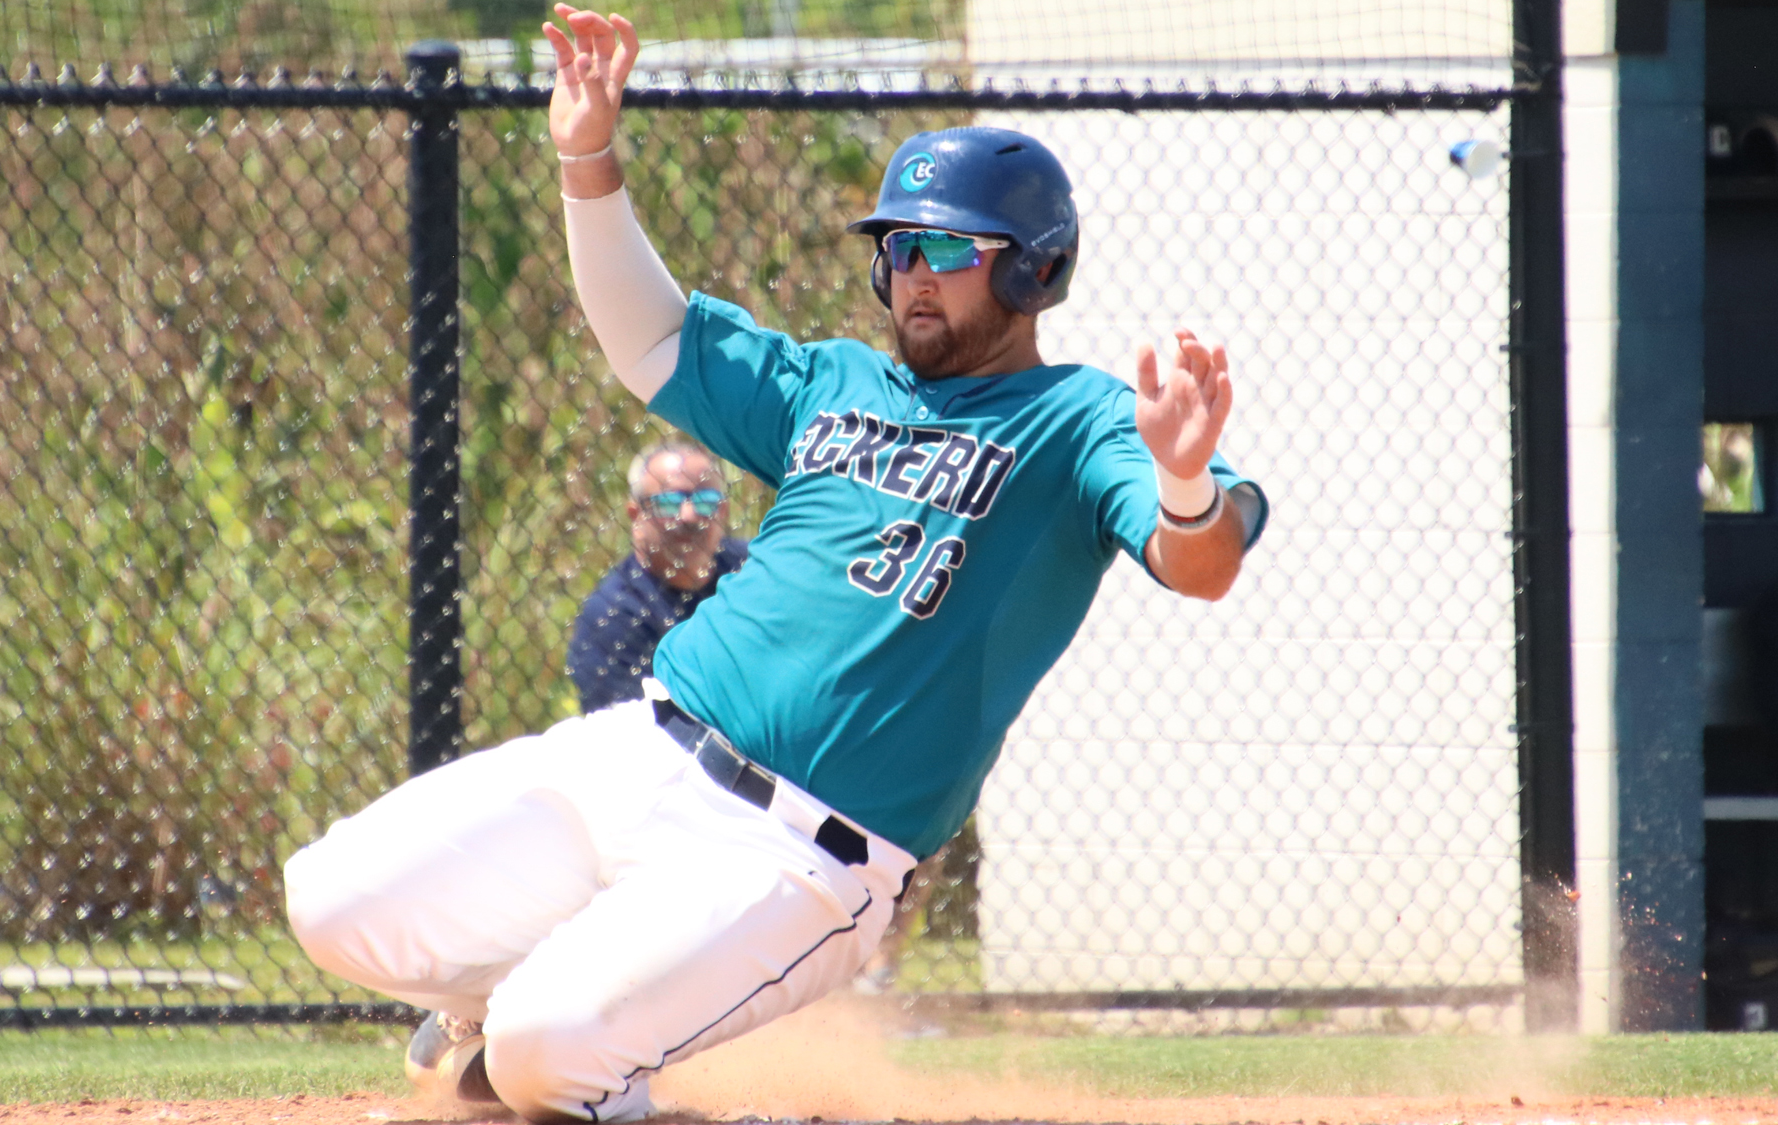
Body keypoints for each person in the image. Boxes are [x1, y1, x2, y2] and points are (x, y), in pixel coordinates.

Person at [283, 6, 1268, 1122]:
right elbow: (647, 338)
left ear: (1034, 272)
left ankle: (560, 1054)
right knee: (331, 900)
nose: (913, 275)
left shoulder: (1077, 420)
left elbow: (1201, 565)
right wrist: (585, 156)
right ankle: (504, 1018)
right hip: (637, 752)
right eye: (897, 248)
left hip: (797, 859)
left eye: (948, 248)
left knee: (547, 1053)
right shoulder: (834, 383)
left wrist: (1183, 478)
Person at [568, 442, 750, 714]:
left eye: (705, 501)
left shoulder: (752, 569)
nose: (689, 515)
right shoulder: (611, 615)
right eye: (668, 502)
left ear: (722, 511)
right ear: (635, 515)